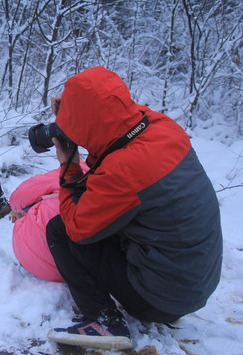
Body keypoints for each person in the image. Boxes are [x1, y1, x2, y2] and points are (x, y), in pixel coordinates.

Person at [44, 66, 222, 350]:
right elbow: (111, 123)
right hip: (197, 281)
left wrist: (68, 164)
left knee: (60, 230)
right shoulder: (162, 126)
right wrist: (70, 112)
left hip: (162, 299)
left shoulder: (124, 170)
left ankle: (103, 320)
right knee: (116, 218)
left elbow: (78, 228)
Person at [8, 161, 88, 282]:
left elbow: (18, 196)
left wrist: (16, 209)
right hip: (72, 268)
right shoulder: (106, 187)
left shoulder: (66, 173)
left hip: (29, 255)